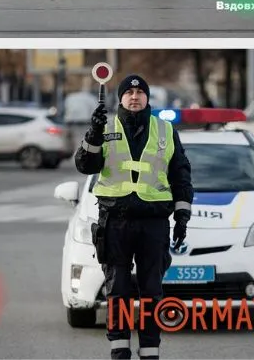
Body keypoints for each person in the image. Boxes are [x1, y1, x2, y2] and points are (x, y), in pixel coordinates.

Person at [74, 74, 193, 360]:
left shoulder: (165, 130)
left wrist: (182, 216)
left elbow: (181, 174)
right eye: (129, 93)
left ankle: (150, 351)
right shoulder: (105, 128)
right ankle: (120, 350)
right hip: (116, 221)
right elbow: (84, 165)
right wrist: (92, 133)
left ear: (148, 98)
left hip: (153, 223)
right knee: (119, 291)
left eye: (140, 93)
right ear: (121, 98)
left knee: (152, 291)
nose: (135, 97)